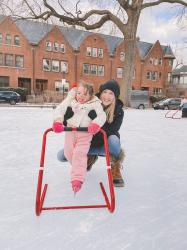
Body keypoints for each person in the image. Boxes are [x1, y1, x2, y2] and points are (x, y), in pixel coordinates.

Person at [57, 80, 125, 187]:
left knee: (114, 140)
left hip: (105, 145)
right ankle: (88, 158)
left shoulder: (118, 111)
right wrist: (65, 119)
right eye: (105, 92)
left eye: (111, 93)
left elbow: (112, 130)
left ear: (115, 96)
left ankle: (115, 168)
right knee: (61, 156)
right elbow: (74, 117)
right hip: (86, 143)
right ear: (100, 93)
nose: (107, 96)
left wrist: (95, 125)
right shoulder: (91, 102)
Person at [52, 82, 106, 193]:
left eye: (85, 94)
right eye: (79, 93)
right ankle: (81, 167)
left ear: (90, 95)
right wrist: (58, 121)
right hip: (70, 131)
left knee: (79, 154)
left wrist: (95, 124)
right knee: (68, 153)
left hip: (85, 134)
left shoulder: (95, 104)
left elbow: (102, 116)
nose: (81, 96)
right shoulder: (70, 100)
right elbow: (60, 109)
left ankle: (77, 179)